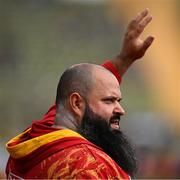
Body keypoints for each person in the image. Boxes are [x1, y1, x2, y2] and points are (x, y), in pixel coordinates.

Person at [5, 9, 154, 179]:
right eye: (109, 101)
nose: (120, 109)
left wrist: (125, 58)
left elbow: (77, 93)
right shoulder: (89, 167)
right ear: (76, 103)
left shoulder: (35, 141)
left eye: (117, 100)